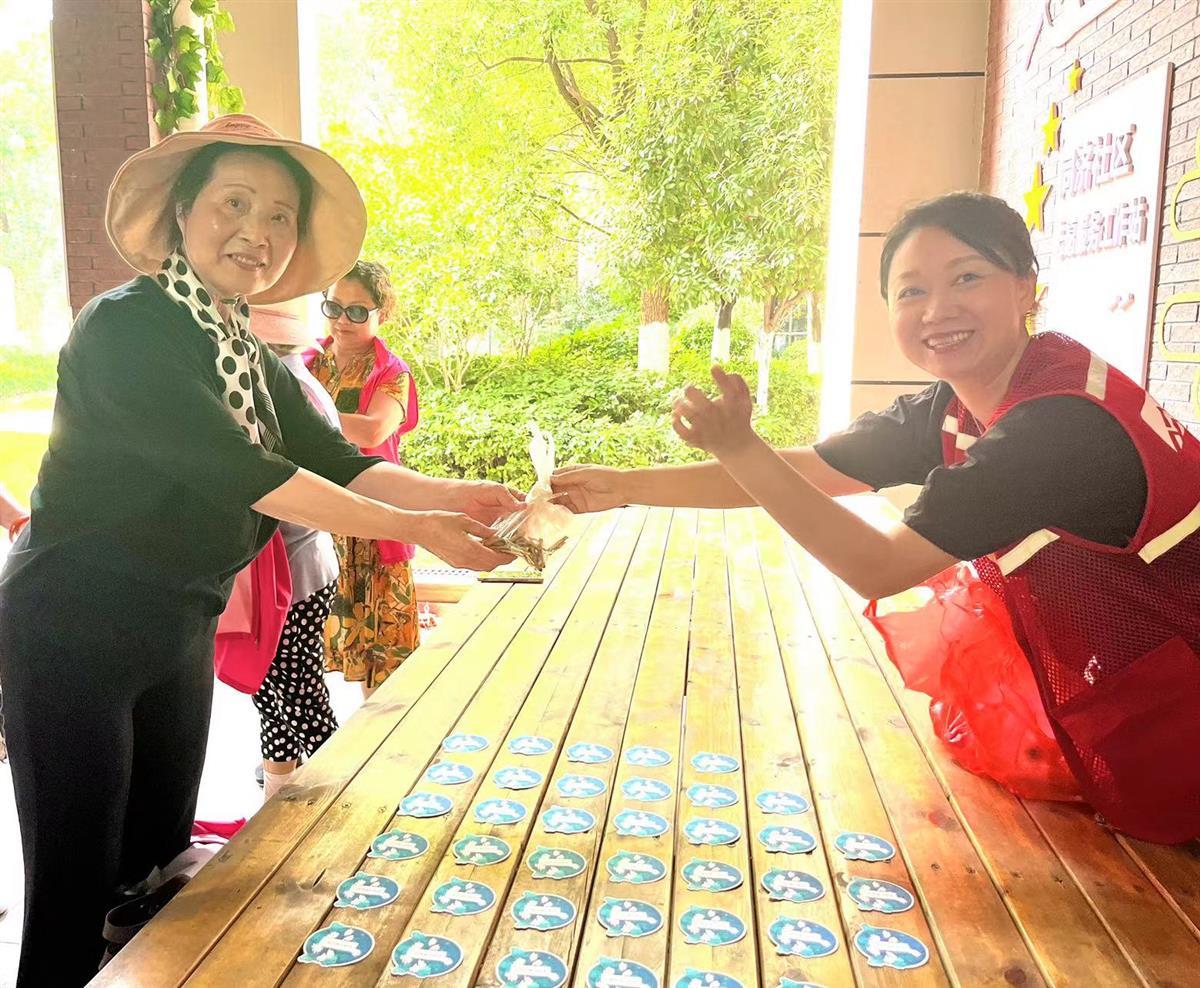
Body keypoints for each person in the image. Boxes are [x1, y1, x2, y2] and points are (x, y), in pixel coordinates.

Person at [0, 113, 516, 987]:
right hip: (72, 626)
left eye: (281, 215)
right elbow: (245, 472)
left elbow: (339, 458)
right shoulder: (126, 328)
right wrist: (417, 532)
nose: (259, 231)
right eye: (235, 203)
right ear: (182, 212)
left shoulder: (240, 340)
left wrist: (452, 496)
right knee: (73, 887)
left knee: (155, 873)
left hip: (175, 622)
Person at [553, 191, 1200, 845]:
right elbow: (811, 470)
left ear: (1026, 288)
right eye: (911, 291)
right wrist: (623, 486)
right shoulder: (968, 400)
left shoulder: (1056, 426)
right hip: (1141, 684)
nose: (937, 310)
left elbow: (881, 566)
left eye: (967, 278)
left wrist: (739, 447)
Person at [308, 262, 421, 696]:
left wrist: (305, 416)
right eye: (334, 307)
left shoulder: (393, 372)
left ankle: (388, 739)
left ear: (381, 313)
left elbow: (374, 431)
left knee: (386, 664)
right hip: (318, 525)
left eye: (357, 311)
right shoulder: (307, 363)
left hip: (376, 526)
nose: (342, 320)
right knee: (304, 659)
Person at [247, 300, 342, 799]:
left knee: (299, 698)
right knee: (275, 697)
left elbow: (293, 488)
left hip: (291, 573)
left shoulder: (283, 391)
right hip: (295, 567)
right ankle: (278, 799)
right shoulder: (295, 381)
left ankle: (343, 800)